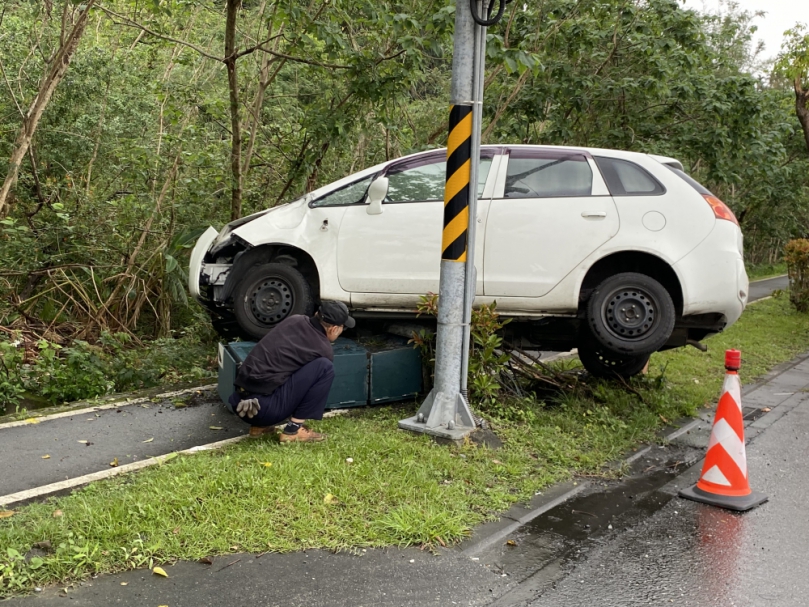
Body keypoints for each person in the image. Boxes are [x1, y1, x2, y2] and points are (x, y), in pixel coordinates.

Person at [228, 300, 355, 443]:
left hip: (240, 402)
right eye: (342, 327)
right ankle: (293, 430)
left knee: (281, 368)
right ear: (334, 329)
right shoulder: (323, 349)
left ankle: (259, 427)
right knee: (325, 367)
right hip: (264, 409)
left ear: (316, 314)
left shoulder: (294, 320)